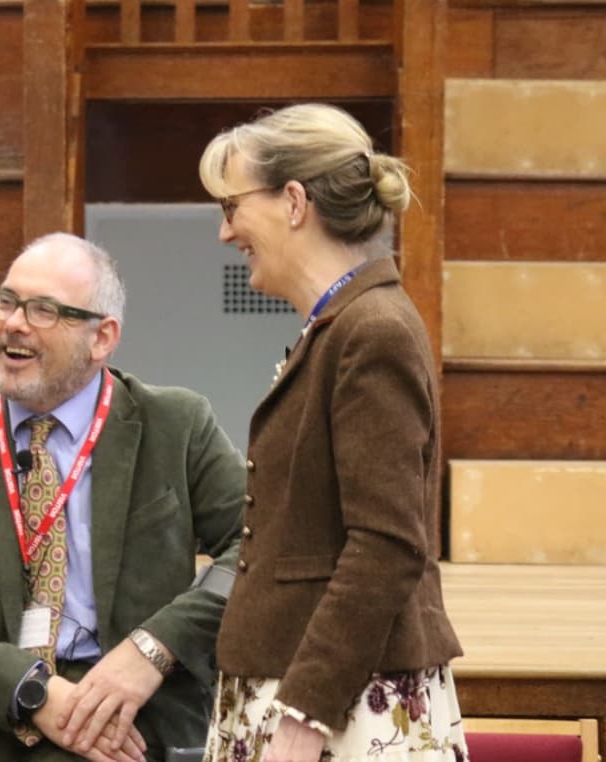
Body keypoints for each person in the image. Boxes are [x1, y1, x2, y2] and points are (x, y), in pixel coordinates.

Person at [0, 232, 245, 762]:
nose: (12, 322)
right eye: (5, 302)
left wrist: (153, 648)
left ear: (102, 337)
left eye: (43, 310)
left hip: (115, 695)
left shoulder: (175, 425)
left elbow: (260, 547)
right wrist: (30, 689)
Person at [196, 104, 468, 762]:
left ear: (293, 201)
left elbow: (388, 544)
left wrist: (307, 710)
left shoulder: (370, 330)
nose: (225, 232)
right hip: (305, 690)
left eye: (232, 207)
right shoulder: (341, 326)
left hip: (340, 711)